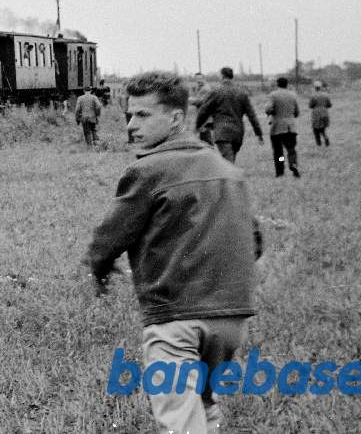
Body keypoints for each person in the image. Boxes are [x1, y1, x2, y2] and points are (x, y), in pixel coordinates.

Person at [85, 71, 262, 434]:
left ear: (177, 118)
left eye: (143, 115)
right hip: (231, 322)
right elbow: (255, 242)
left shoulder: (146, 169)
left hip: (175, 319)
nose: (132, 125)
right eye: (129, 116)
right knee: (203, 404)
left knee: (180, 423)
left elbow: (109, 237)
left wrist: (99, 267)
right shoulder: (227, 170)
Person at [194, 67, 263, 163]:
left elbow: (204, 110)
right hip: (237, 133)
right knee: (230, 160)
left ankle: (229, 176)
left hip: (222, 132)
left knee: (228, 162)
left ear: (222, 76)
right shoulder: (242, 92)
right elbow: (252, 115)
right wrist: (259, 133)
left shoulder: (216, 92)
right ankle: (230, 176)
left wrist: (197, 126)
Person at [264, 77, 301, 178]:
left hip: (277, 129)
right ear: (287, 84)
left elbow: (268, 109)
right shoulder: (293, 95)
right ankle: (293, 165)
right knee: (291, 150)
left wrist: (271, 112)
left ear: (277, 84)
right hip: (291, 128)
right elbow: (297, 112)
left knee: (279, 152)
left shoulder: (273, 95)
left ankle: (280, 171)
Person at [189, 73, 213, 143]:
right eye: (197, 79)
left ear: (204, 78)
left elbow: (202, 101)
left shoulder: (206, 89)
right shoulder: (199, 87)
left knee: (206, 137)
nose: (198, 81)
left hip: (205, 117)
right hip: (202, 116)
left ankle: (210, 151)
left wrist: (190, 100)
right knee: (203, 136)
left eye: (200, 78)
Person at [308, 81, 333, 146]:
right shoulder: (326, 95)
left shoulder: (313, 96)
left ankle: (318, 144)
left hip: (316, 114)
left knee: (316, 130)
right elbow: (329, 105)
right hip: (325, 113)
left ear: (315, 88)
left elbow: (310, 106)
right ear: (321, 87)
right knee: (323, 129)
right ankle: (326, 139)